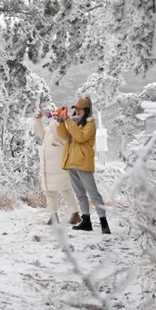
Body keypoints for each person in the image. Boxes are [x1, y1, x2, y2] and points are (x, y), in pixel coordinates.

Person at [55, 97, 111, 234]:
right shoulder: (74, 123)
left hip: (83, 162)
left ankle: (104, 222)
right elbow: (63, 136)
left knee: (93, 193)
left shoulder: (90, 124)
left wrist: (68, 120)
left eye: (79, 109)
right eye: (75, 109)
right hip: (71, 161)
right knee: (80, 194)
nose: (77, 111)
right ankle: (86, 221)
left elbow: (80, 137)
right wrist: (61, 122)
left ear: (86, 110)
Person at [34, 109, 81, 225]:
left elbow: (57, 131)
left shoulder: (63, 130)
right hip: (47, 168)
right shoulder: (49, 130)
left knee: (66, 190)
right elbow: (39, 132)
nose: (53, 116)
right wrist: (38, 119)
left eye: (56, 115)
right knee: (49, 192)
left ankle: (75, 214)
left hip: (59, 167)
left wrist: (50, 116)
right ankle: (53, 216)